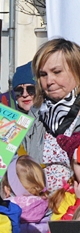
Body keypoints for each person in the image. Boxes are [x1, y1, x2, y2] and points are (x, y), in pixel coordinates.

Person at [28, 39, 80, 191]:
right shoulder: (34, 116)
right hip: (38, 207)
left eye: (57, 72)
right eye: (43, 74)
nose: (49, 81)